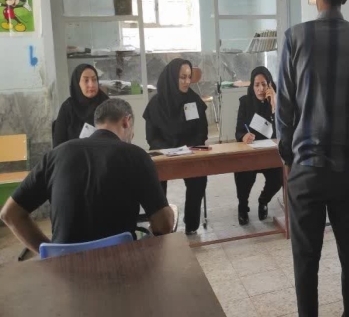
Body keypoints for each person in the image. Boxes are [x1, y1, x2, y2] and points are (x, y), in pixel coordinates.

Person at [277, 0, 349, 317]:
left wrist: (290, 158)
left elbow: (283, 111)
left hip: (305, 170)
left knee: (306, 261)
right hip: (348, 172)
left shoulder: (294, 38)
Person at [0, 98, 174, 253]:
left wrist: (50, 253)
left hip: (65, 269)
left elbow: (10, 214)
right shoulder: (136, 155)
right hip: (120, 265)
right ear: (126, 121)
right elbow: (164, 225)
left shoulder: (57, 155)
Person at [143, 58, 208, 235]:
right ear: (172, 78)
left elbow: (202, 131)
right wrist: (169, 150)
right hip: (164, 154)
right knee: (156, 184)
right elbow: (151, 137)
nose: (187, 81)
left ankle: (191, 223)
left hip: (189, 153)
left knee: (199, 179)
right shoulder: (156, 104)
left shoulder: (194, 100)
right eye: (182, 77)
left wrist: (189, 148)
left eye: (189, 77)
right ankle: (162, 225)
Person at [234, 66, 282, 225]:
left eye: (264, 84)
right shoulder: (245, 102)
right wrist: (244, 136)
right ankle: (243, 207)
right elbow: (238, 130)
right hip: (251, 152)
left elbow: (281, 131)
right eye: (257, 85)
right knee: (243, 175)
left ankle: (263, 200)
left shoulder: (276, 101)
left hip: (270, 153)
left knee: (279, 177)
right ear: (252, 86)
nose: (261, 89)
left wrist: (274, 106)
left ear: (270, 85)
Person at [53, 64, 109, 147]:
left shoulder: (107, 105)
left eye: (94, 80)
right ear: (77, 83)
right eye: (86, 80)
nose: (91, 85)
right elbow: (58, 145)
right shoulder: (68, 108)